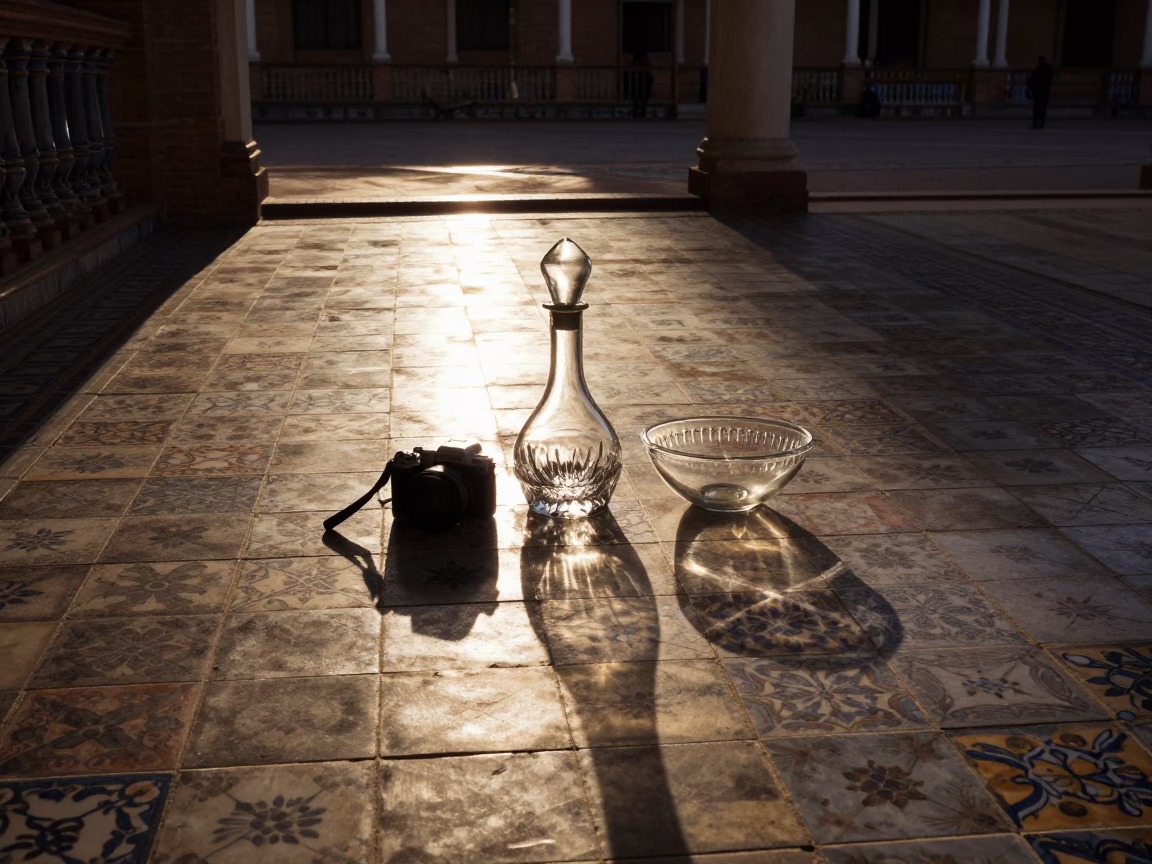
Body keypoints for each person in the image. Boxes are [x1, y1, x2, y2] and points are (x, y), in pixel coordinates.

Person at [1027, 56, 1054, 129]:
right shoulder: (1049, 69)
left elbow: (1032, 80)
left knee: (1036, 108)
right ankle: (1041, 122)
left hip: (1038, 91)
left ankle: (1035, 122)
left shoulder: (1037, 69)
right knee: (1043, 108)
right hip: (1045, 91)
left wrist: (1030, 89)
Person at [627, 51, 654, 119]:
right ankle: (640, 112)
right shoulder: (644, 64)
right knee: (641, 101)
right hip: (641, 86)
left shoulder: (636, 65)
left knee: (638, 101)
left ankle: (638, 112)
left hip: (640, 86)